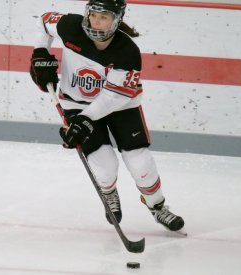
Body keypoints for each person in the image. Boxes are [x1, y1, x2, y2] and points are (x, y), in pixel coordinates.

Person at [29, 0, 185, 233]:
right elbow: (44, 21)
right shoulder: (71, 26)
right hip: (76, 105)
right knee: (104, 165)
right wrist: (40, 51)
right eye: (93, 15)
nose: (96, 21)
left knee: (139, 160)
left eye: (104, 17)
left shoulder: (127, 51)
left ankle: (157, 206)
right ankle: (109, 192)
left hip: (121, 105)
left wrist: (85, 120)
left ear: (117, 20)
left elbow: (113, 97)